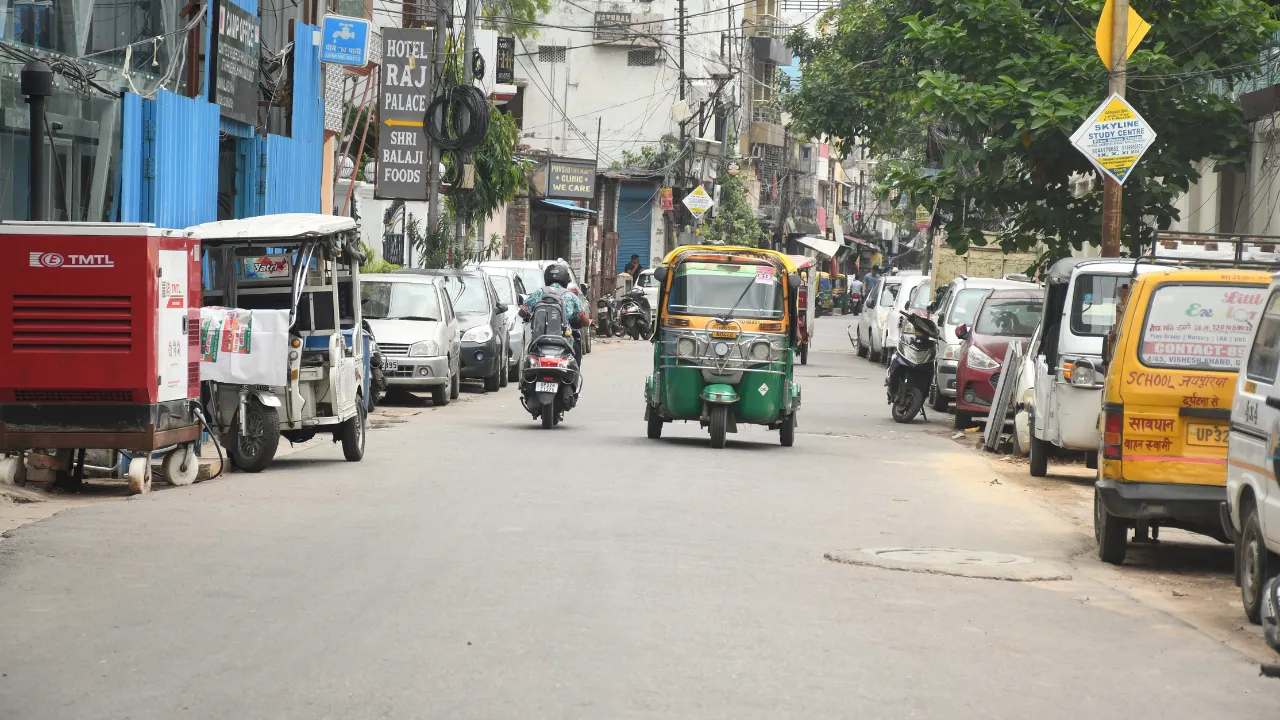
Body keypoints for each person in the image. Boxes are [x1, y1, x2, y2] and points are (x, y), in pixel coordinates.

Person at [521, 263, 589, 363]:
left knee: (528, 359)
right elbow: (583, 321)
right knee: (577, 351)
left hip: (539, 341)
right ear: (565, 279)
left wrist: (529, 316)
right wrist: (588, 321)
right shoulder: (571, 296)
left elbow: (522, 312)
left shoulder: (539, 293)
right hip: (565, 342)